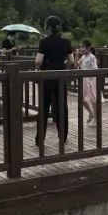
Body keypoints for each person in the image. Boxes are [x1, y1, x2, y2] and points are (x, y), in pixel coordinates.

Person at [34, 15, 74, 146]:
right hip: (61, 75)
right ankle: (63, 136)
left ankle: (40, 139)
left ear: (49, 28)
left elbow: (38, 61)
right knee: (62, 106)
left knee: (44, 106)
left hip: (47, 76)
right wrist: (63, 67)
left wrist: (38, 68)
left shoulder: (44, 42)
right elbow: (72, 61)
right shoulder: (66, 42)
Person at [77, 39, 98, 125]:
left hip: (91, 80)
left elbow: (95, 68)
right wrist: (76, 56)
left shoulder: (92, 57)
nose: (81, 49)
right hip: (84, 80)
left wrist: (92, 81)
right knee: (81, 98)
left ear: (88, 48)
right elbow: (76, 65)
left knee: (93, 100)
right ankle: (91, 113)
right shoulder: (83, 57)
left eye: (83, 47)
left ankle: (96, 119)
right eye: (80, 47)